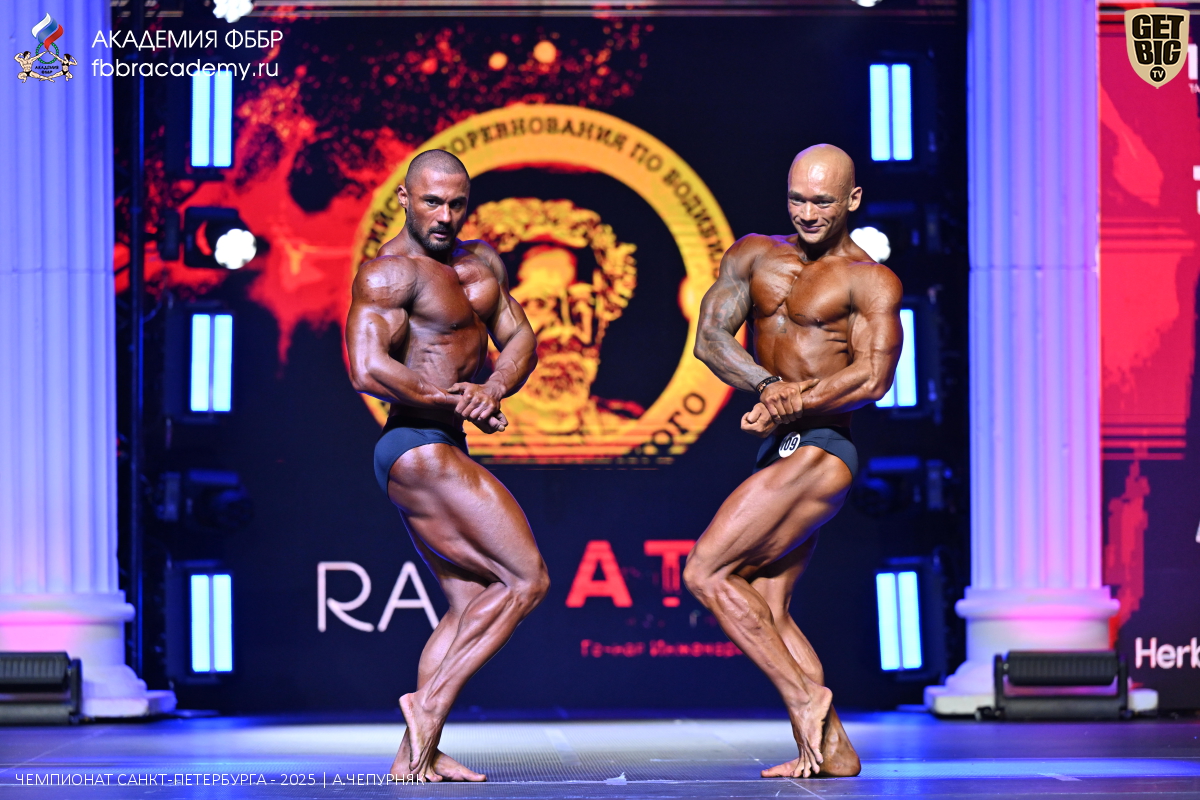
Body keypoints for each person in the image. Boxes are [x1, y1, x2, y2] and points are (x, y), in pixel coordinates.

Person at [684, 144, 903, 779]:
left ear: (852, 200)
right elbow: (710, 338)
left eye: (823, 201)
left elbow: (873, 377)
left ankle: (806, 699)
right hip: (778, 443)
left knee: (706, 571)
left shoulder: (870, 280)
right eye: (798, 199)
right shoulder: (754, 254)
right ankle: (833, 749)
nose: (807, 213)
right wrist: (766, 386)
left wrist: (794, 400)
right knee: (766, 604)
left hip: (823, 446)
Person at [345, 149, 549, 783]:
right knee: (526, 580)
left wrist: (493, 388)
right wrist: (448, 399)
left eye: (457, 204)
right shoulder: (389, 274)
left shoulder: (480, 263)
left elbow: (520, 338)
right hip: (414, 443)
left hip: (445, 441)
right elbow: (367, 368)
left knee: (470, 604)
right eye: (432, 201)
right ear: (405, 199)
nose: (445, 215)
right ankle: (426, 706)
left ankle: (416, 756)